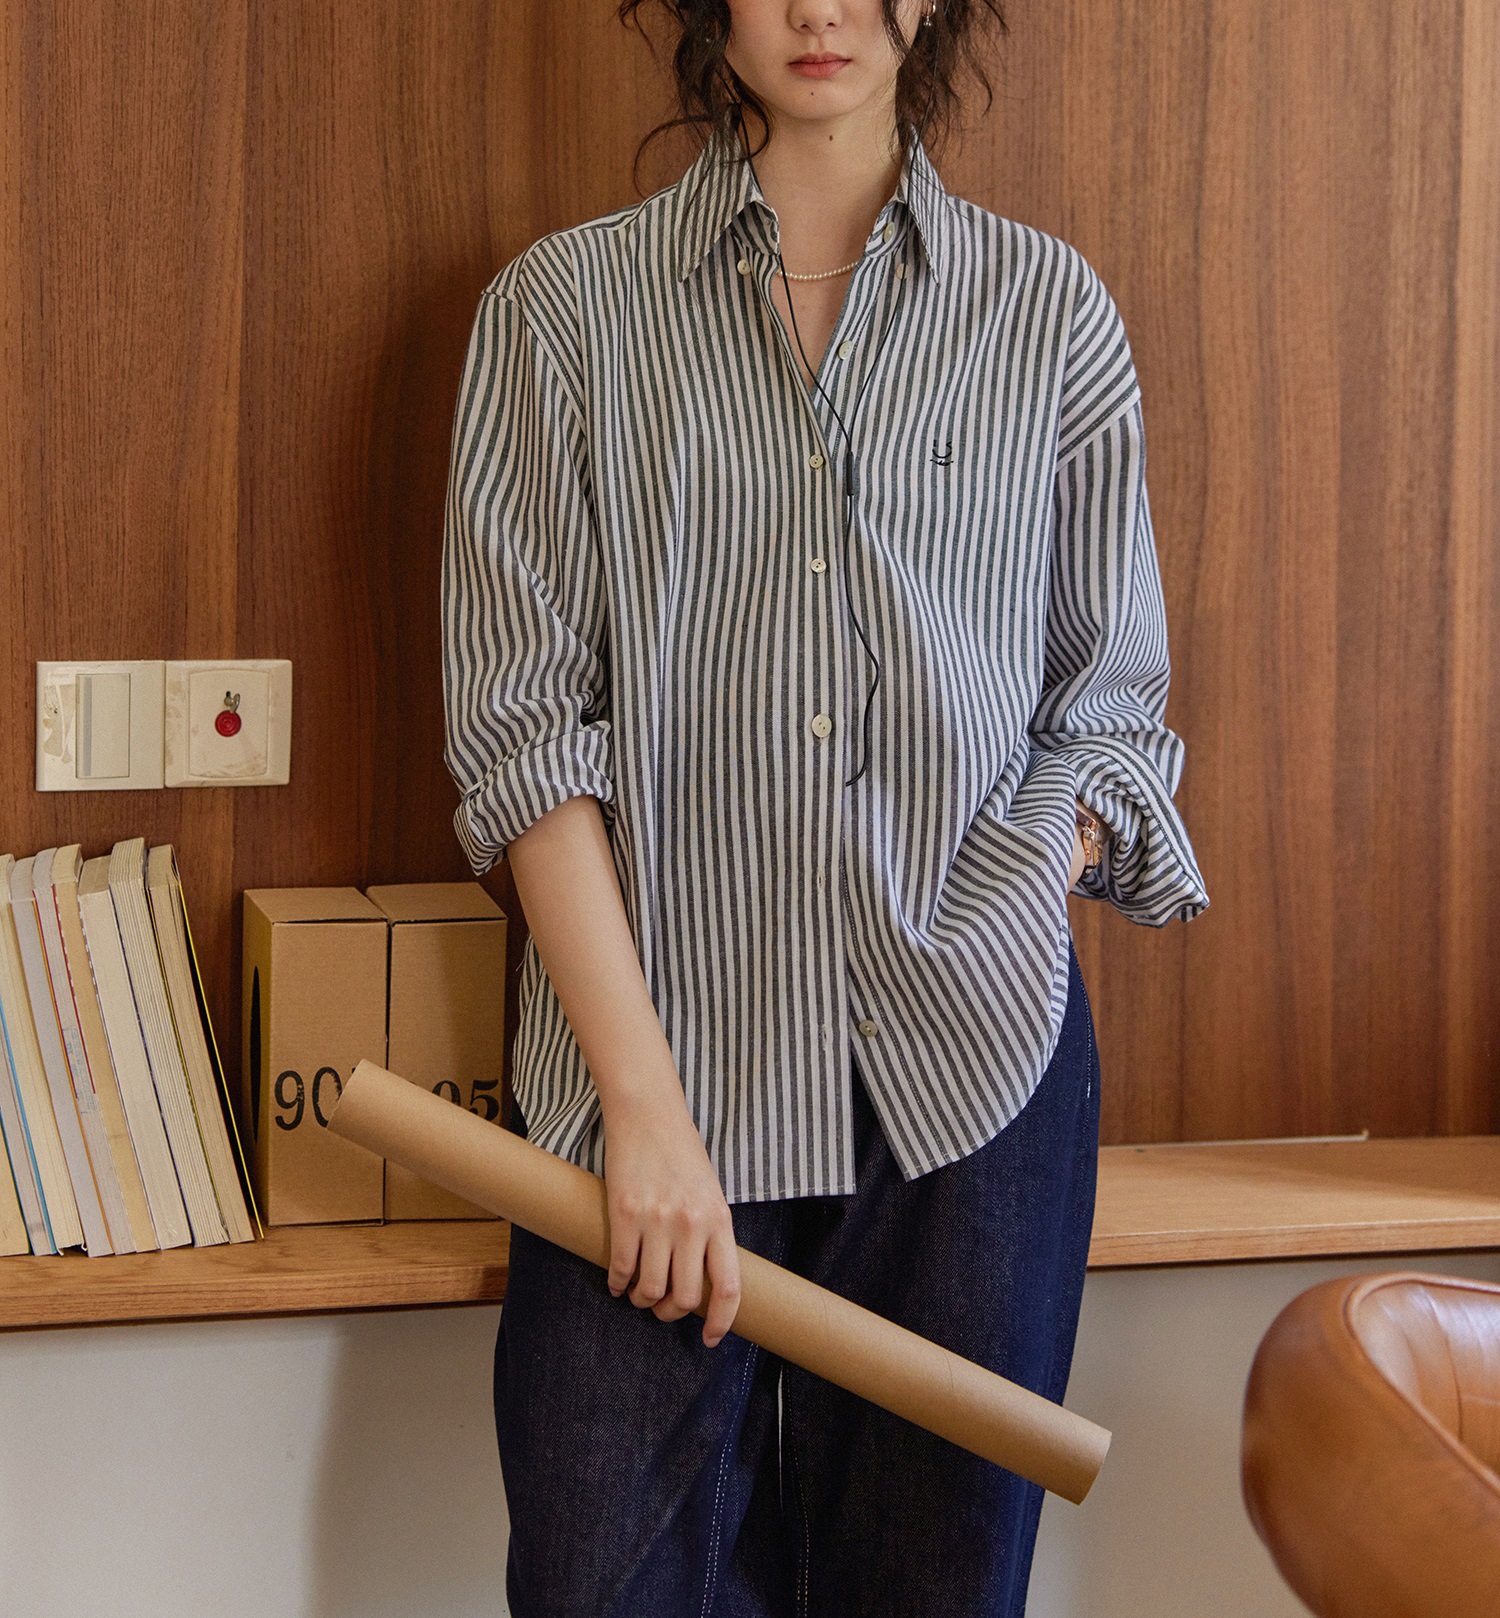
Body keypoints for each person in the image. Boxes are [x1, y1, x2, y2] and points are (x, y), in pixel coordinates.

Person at [439, 1, 1210, 1612]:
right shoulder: (560, 315)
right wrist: (644, 1109)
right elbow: (523, 741)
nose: (821, 9)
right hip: (645, 1085)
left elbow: (1110, 706)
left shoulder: (1045, 313)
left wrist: (1024, 883)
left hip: (971, 1084)